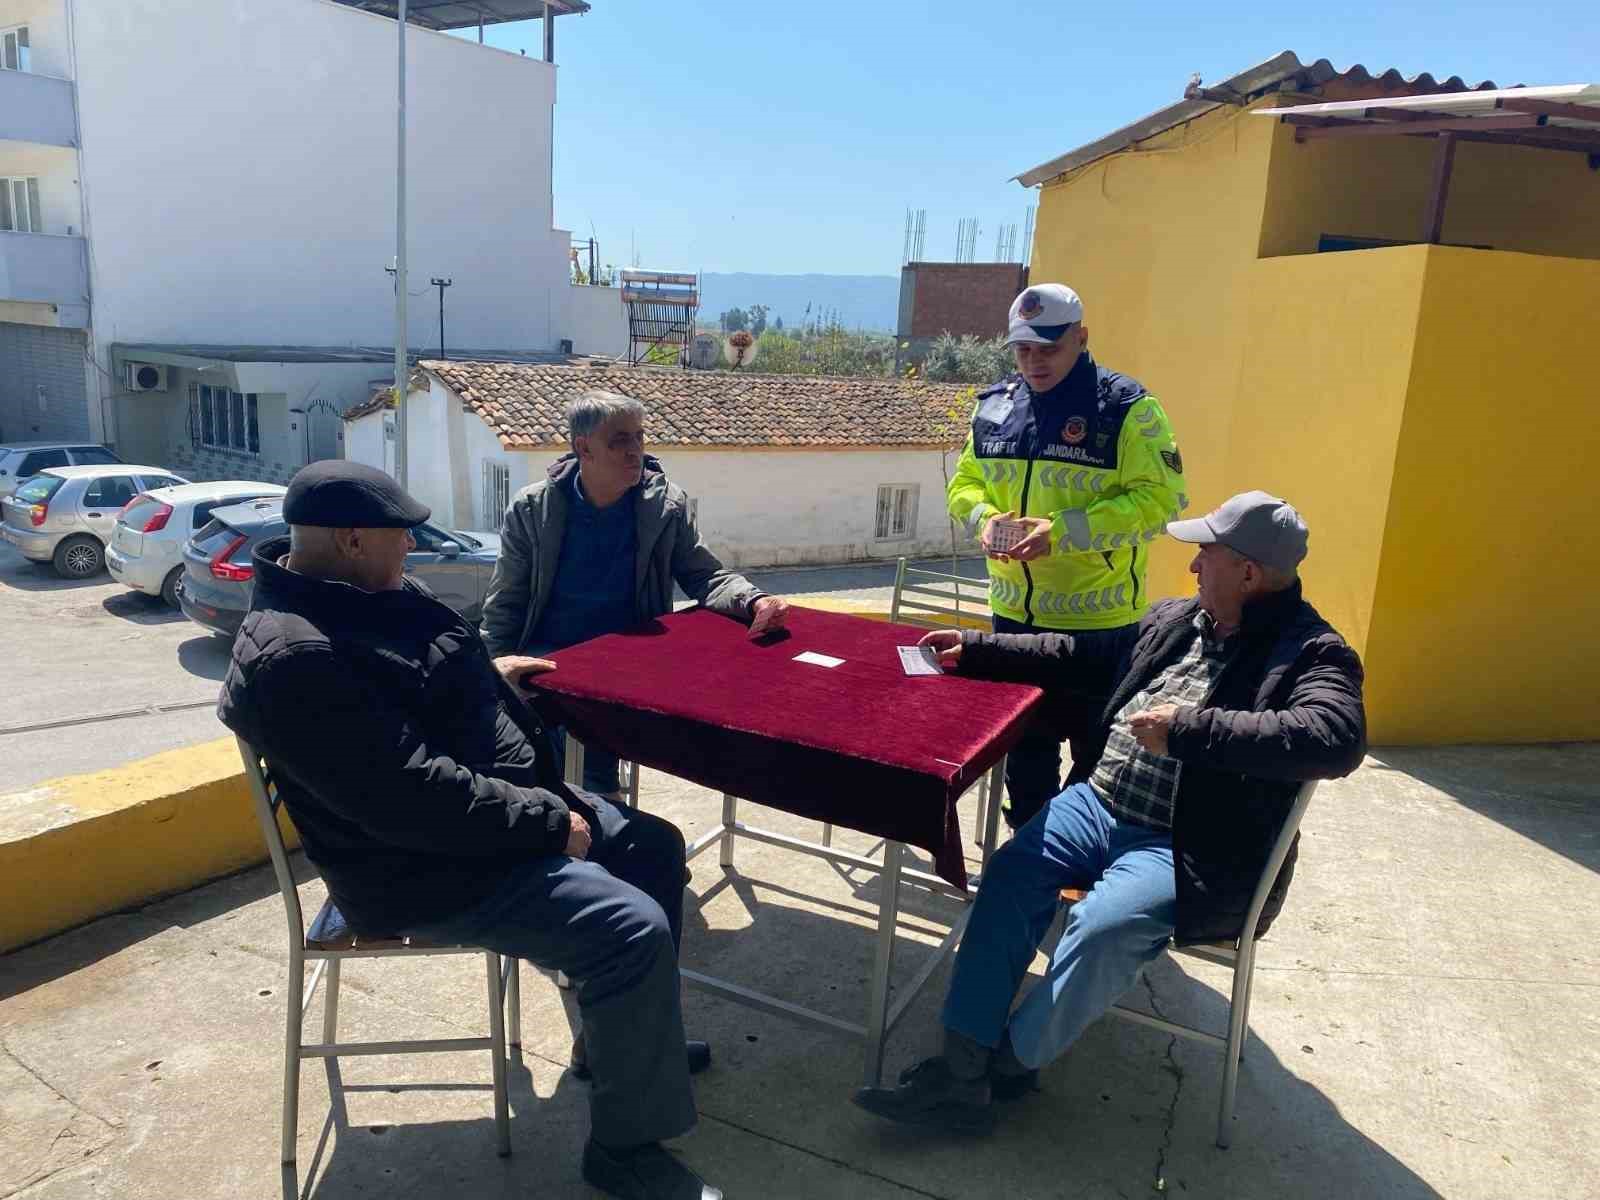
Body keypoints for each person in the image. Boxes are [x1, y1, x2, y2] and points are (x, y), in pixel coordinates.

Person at [218, 461, 723, 1200]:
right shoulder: (298, 655)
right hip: (416, 868)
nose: (412, 552)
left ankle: (614, 1046)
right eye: (401, 538)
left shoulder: (364, 595)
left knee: (654, 846)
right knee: (629, 929)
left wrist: (491, 675)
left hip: (479, 822)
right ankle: (624, 1151)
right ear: (354, 539)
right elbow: (406, 798)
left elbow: (421, 684)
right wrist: (551, 824)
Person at [854, 491, 1366, 1134]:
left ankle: (1010, 1065)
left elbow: (1336, 736)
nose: (1191, 567)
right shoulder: (1178, 619)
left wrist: (1188, 730)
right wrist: (977, 648)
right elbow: (1080, 653)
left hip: (1187, 842)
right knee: (1010, 875)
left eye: (1204, 553)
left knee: (1101, 929)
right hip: (1098, 802)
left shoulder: (1314, 652)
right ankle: (961, 1069)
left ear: (1248, 571)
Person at [946, 283, 1188, 829]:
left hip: (1097, 629)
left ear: (1081, 338)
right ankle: (1029, 869)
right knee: (1025, 766)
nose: (1034, 362)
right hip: (1012, 622)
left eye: (1048, 348)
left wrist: (1063, 531)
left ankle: (1077, 885)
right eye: (1023, 349)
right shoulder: (994, 408)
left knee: (1096, 771)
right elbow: (963, 485)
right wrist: (985, 519)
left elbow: (1162, 501)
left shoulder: (1128, 409)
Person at [481, 389, 789, 799]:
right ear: (583, 448)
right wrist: (493, 671)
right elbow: (506, 602)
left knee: (589, 781)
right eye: (620, 440)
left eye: (639, 437)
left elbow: (706, 576)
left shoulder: (665, 505)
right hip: (549, 660)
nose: (635, 451)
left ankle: (597, 816)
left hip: (624, 670)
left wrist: (754, 601)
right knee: (544, 774)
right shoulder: (533, 509)